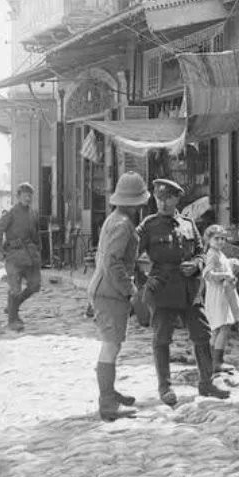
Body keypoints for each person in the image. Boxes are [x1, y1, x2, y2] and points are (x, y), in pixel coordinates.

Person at [136, 178, 229, 406]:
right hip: (163, 289)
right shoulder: (148, 225)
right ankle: (165, 387)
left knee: (202, 334)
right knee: (162, 338)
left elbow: (200, 252)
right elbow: (130, 255)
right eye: (159, 198)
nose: (162, 203)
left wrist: (196, 264)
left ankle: (207, 382)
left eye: (168, 198)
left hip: (189, 289)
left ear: (177, 199)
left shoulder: (188, 224)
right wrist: (143, 283)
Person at [87, 172, 149, 421]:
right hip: (110, 292)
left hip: (104, 289)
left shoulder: (114, 218)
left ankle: (109, 391)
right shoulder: (123, 225)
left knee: (113, 343)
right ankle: (107, 403)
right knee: (110, 346)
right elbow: (113, 262)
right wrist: (131, 290)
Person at [0, 183, 42, 332]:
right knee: (15, 288)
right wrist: (0, 251)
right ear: (18, 196)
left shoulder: (33, 213)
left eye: (30, 195)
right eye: (25, 195)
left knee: (35, 285)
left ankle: (13, 306)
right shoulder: (11, 213)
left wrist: (39, 251)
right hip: (14, 256)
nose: (28, 198)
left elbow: (36, 235)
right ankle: (13, 320)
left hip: (30, 256)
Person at [202, 224, 239, 374]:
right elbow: (207, 274)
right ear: (208, 240)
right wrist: (225, 275)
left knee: (217, 328)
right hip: (218, 294)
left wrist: (231, 265)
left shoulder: (219, 253)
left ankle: (210, 361)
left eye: (223, 238)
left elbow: (222, 267)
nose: (220, 241)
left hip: (223, 293)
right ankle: (217, 362)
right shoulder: (212, 254)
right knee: (223, 326)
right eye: (216, 239)